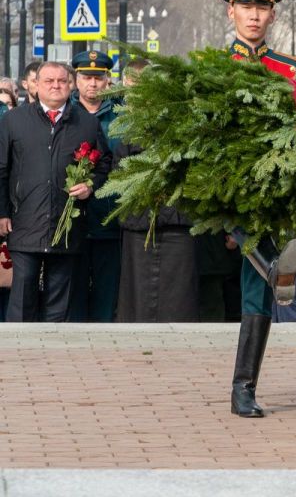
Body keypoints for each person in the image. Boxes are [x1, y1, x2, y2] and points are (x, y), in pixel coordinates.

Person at [220, 0, 296, 417]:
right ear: (230, 10)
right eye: (245, 5)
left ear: (273, 14)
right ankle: (275, 269)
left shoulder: (291, 70)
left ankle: (243, 388)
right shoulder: (212, 69)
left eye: (261, 6)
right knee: (257, 276)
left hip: (273, 195)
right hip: (220, 197)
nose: (253, 15)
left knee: (255, 291)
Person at [0, 60, 111, 321]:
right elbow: (2, 168)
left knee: (59, 305)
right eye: (48, 81)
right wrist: (2, 212)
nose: (55, 86)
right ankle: (21, 355)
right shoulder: (14, 120)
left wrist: (90, 185)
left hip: (67, 226)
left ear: (70, 84)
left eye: (61, 81)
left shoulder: (86, 122)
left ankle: (53, 352)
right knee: (23, 299)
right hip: (24, 224)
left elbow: (105, 163)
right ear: (35, 85)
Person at [112, 58, 200, 322]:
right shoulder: (129, 128)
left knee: (178, 299)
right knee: (137, 297)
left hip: (178, 223)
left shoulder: (184, 123)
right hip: (141, 223)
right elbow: (120, 174)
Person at [67, 51, 122, 322]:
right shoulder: (65, 113)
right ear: (76, 80)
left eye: (98, 78)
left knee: (106, 290)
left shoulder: (122, 114)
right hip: (70, 218)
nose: (92, 83)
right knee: (71, 290)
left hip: (109, 215)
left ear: (107, 80)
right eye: (86, 77)